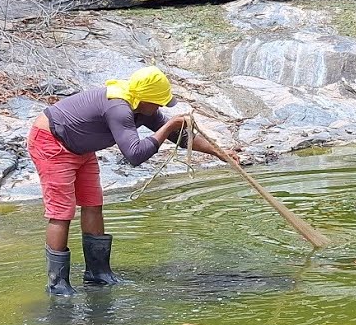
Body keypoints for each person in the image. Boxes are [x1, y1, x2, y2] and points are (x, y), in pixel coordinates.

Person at [28, 66, 227, 296]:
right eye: (158, 102)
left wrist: (221, 153)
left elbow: (179, 137)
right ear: (144, 99)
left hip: (81, 148)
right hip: (52, 142)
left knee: (93, 204)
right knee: (62, 212)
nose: (160, 107)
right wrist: (169, 125)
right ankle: (58, 285)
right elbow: (134, 155)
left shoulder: (143, 107)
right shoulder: (119, 108)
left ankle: (98, 273)